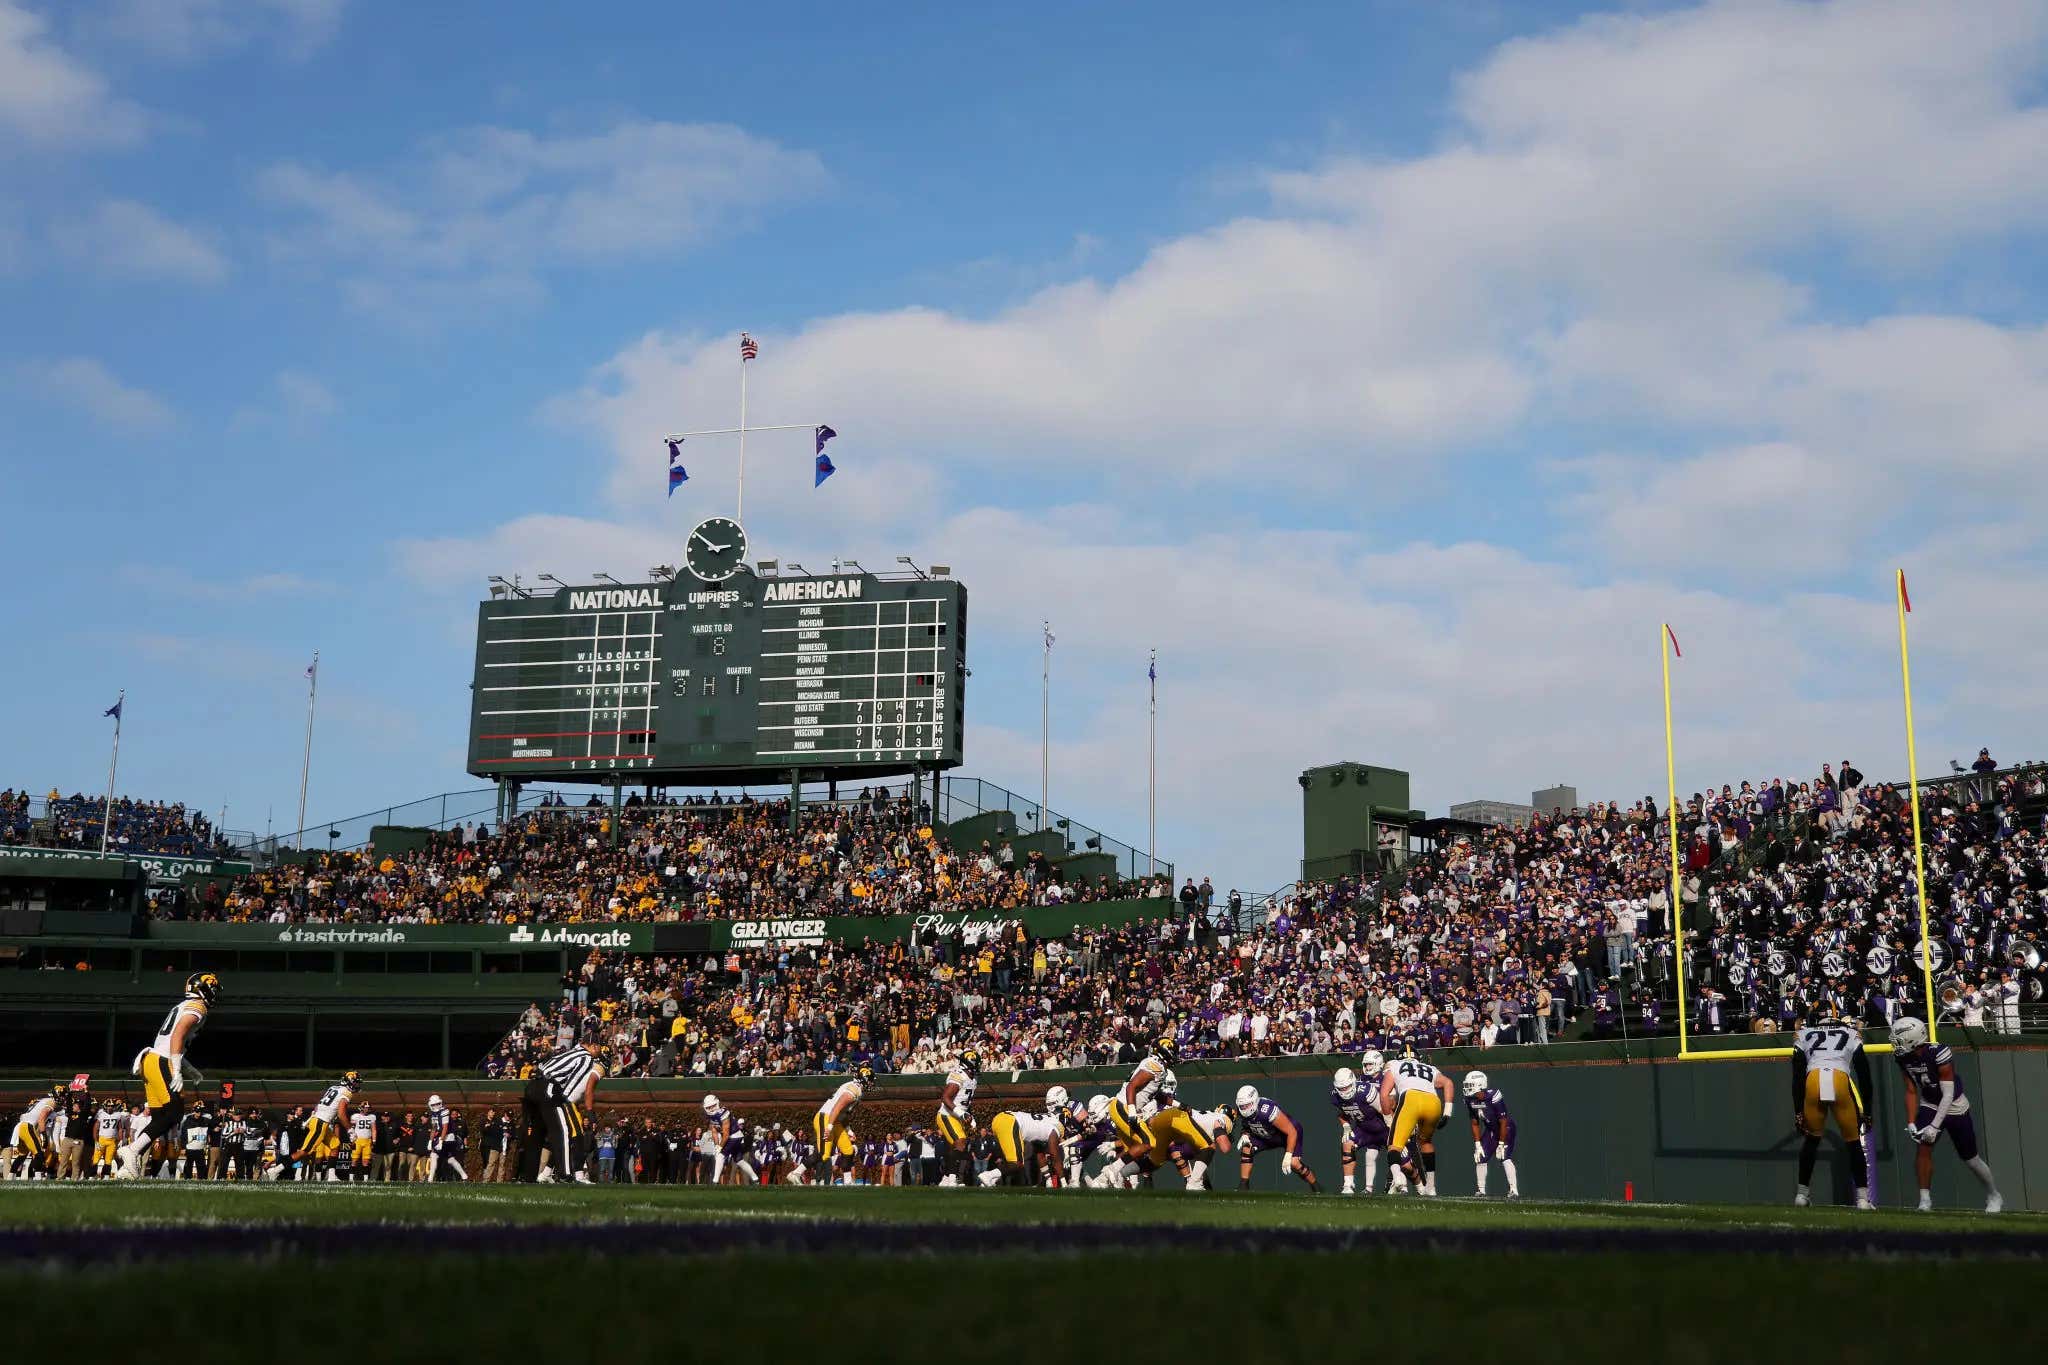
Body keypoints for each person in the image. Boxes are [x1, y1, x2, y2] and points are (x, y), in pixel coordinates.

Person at [1888, 1017, 2001, 1213]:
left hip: (1955, 1105)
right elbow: (1911, 1090)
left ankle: (1993, 1194)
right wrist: (1912, 1121)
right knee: (1923, 1149)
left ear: (1913, 1039)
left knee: (1971, 1158)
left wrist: (1934, 1126)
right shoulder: (1902, 1058)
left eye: (1899, 1039)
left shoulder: (1939, 1052)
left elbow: (1948, 1095)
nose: (1895, 1044)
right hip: (1930, 1104)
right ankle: (1925, 1201)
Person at [116, 972, 219, 1179]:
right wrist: (178, 1069)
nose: (214, 993)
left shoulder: (182, 1005)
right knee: (174, 1114)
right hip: (162, 1061)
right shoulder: (198, 1006)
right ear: (202, 988)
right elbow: (179, 1034)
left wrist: (188, 1068)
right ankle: (132, 1150)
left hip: (152, 1060)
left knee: (159, 1119)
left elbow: (171, 1039)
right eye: (212, 988)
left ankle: (127, 1168)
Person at [1790, 1011, 1872, 1209]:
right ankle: (1862, 1199)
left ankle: (1802, 1195)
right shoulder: (1851, 1033)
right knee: (1853, 1142)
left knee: (1811, 1140)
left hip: (1813, 1079)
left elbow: (1798, 1074)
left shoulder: (1803, 1033)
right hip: (1839, 1077)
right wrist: (1868, 1111)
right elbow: (1864, 1073)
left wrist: (1798, 1110)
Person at [1377, 1051, 1455, 1196]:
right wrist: (1447, 1112)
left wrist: (1388, 1119)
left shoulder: (1394, 1064)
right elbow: (1448, 1083)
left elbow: (1384, 1095)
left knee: (1394, 1144)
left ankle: (1398, 1178)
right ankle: (1431, 1188)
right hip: (1433, 1102)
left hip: (1411, 1098)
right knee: (1425, 1142)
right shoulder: (1429, 1068)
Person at [528, 1041, 602, 1183]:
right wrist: (591, 1114)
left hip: (546, 1087)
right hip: (563, 1098)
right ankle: (574, 1175)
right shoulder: (589, 1060)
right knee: (574, 1136)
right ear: (593, 1046)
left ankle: (546, 1173)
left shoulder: (574, 1052)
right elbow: (588, 1091)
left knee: (560, 1137)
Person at [1331, 1058, 1403, 1196]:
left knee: (1406, 1164)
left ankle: (1420, 1188)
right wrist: (1346, 1125)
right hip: (1364, 1129)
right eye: (1341, 1088)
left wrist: (1393, 1126)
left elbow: (1384, 1109)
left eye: (1346, 1087)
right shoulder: (1335, 1096)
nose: (1344, 1091)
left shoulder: (1365, 1090)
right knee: (1347, 1143)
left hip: (1382, 1127)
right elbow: (1342, 1113)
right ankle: (1348, 1184)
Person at [1231, 1085, 1320, 1192]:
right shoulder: (1240, 1110)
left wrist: (1288, 1154)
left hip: (1287, 1134)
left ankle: (1316, 1187)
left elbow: (1291, 1131)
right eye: (1242, 1106)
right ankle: (1243, 1186)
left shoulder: (1267, 1110)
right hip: (1266, 1136)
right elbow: (1247, 1126)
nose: (1244, 1109)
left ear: (1255, 1101)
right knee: (1247, 1147)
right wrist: (1245, 1134)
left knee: (1294, 1164)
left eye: (1247, 1105)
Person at [283, 1071, 361, 1182]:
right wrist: (350, 1130)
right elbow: (341, 1114)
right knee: (305, 1151)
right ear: (349, 1082)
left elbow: (318, 1106)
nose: (357, 1085)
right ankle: (276, 1170)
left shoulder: (333, 1088)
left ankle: (331, 1176)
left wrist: (310, 1120)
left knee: (335, 1145)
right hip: (321, 1122)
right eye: (355, 1082)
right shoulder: (347, 1092)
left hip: (319, 1120)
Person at [811, 1064, 873, 1186]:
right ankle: (810, 1177)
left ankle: (848, 1181)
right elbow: (837, 1108)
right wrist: (829, 1127)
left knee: (848, 1151)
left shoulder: (856, 1088)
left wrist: (849, 1130)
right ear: (864, 1079)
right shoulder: (854, 1090)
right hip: (828, 1117)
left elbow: (843, 1113)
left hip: (835, 1120)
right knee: (824, 1154)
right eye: (870, 1080)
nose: (871, 1083)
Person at [1462, 1071, 1518, 1198]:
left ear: (1480, 1085)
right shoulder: (1469, 1099)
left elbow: (1503, 1121)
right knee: (1480, 1157)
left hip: (1506, 1128)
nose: (1467, 1088)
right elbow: (1474, 1122)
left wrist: (1501, 1143)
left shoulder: (1493, 1096)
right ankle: (1481, 1191)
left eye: (1470, 1085)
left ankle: (1514, 1190)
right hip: (1491, 1130)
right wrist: (1477, 1144)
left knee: (1504, 1156)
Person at [935, 1047, 979, 1187]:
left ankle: (947, 1178)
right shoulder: (958, 1075)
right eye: (974, 1063)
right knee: (960, 1141)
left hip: (958, 1116)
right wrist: (962, 1113)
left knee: (956, 1147)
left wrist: (970, 1116)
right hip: (947, 1114)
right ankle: (953, 1178)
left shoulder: (973, 1078)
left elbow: (966, 1102)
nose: (977, 1066)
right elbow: (946, 1098)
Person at [4, 1084, 62, 1180]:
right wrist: (44, 1136)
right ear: (57, 1094)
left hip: (20, 1126)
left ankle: (10, 1178)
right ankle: (38, 1178)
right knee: (38, 1153)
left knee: (22, 1155)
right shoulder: (51, 1102)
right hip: (27, 1126)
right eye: (62, 1096)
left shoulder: (41, 1100)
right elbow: (42, 1118)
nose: (62, 1098)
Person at [348, 1103, 378, 1182]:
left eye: (368, 1108)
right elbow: (352, 1129)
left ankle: (365, 1180)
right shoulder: (356, 1116)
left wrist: (374, 1140)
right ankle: (351, 1179)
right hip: (357, 1140)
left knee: (366, 1161)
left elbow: (374, 1129)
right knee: (354, 1160)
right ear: (361, 1108)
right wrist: (352, 1140)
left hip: (367, 1141)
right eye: (365, 1108)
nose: (367, 1109)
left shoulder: (372, 1117)